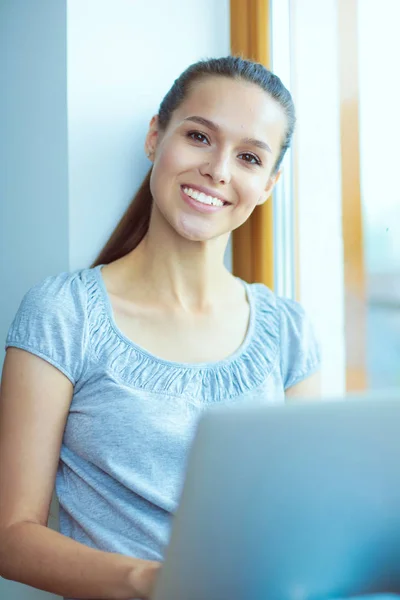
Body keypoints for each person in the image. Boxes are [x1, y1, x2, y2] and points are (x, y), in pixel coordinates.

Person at [0, 56, 321, 600]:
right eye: (199, 137)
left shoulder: (288, 329)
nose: (219, 170)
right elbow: (11, 538)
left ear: (268, 184)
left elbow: (310, 516)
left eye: (248, 157)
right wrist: (153, 582)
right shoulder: (62, 312)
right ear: (156, 137)